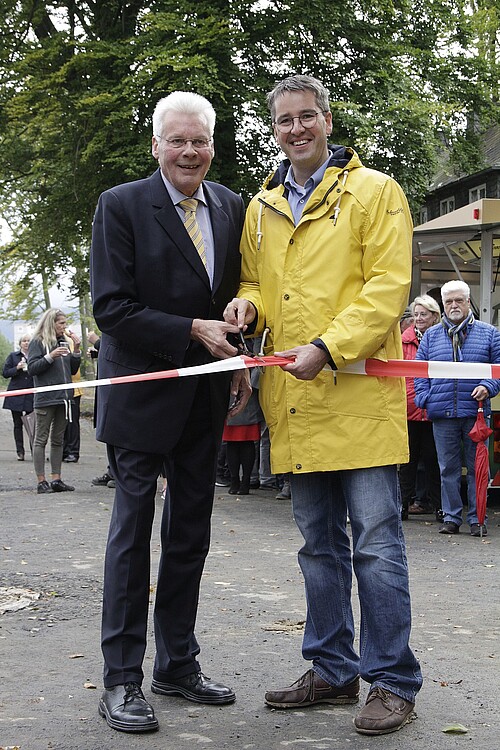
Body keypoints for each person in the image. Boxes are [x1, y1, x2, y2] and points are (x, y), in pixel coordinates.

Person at [224, 74, 422, 736]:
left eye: (307, 117)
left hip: (356, 397)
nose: (297, 129)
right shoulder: (261, 207)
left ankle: (392, 680)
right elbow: (256, 280)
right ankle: (334, 670)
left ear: (328, 122)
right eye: (284, 121)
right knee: (319, 549)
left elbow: (388, 287)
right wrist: (246, 305)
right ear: (274, 130)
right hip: (298, 404)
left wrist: (328, 347)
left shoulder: (376, 193)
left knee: (376, 545)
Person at [90, 90, 250, 734]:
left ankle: (177, 663)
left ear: (213, 146)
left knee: (189, 534)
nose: (190, 151)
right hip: (139, 394)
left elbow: (239, 293)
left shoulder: (233, 207)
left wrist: (237, 347)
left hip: (206, 397)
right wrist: (193, 331)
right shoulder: (121, 206)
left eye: (201, 141)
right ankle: (122, 679)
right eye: (177, 140)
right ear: (156, 145)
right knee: (132, 536)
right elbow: (111, 308)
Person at [414, 280, 500, 536]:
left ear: (468, 301)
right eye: (449, 301)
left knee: (477, 469)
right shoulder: (431, 335)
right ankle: (451, 518)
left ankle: (477, 519)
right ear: (443, 304)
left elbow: (499, 368)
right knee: (447, 469)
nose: (454, 305)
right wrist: (424, 399)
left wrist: (488, 386)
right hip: (442, 413)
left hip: (476, 413)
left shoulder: (490, 333)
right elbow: (419, 372)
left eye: (458, 300)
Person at [27, 309, 81, 494]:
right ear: (51, 323)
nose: (65, 327)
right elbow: (32, 368)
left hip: (64, 398)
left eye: (65, 323)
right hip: (45, 398)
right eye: (62, 323)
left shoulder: (63, 341)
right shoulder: (38, 342)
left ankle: (56, 479)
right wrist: (51, 356)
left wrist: (77, 349)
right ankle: (41, 481)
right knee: (40, 439)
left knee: (58, 440)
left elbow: (72, 371)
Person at [399, 295, 442, 520]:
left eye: (423, 314)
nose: (418, 318)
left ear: (435, 316)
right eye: (415, 314)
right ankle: (402, 506)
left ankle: (439, 508)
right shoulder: (402, 341)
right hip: (408, 408)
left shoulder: (442, 339)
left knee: (434, 462)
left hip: (434, 409)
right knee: (407, 462)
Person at [2, 334, 34, 460]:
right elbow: (5, 373)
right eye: (24, 341)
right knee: (17, 424)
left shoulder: (35, 356)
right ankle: (20, 452)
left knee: (32, 424)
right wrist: (17, 368)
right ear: (20, 343)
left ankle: (35, 451)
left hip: (31, 393)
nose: (26, 343)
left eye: (28, 341)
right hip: (16, 393)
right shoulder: (13, 356)